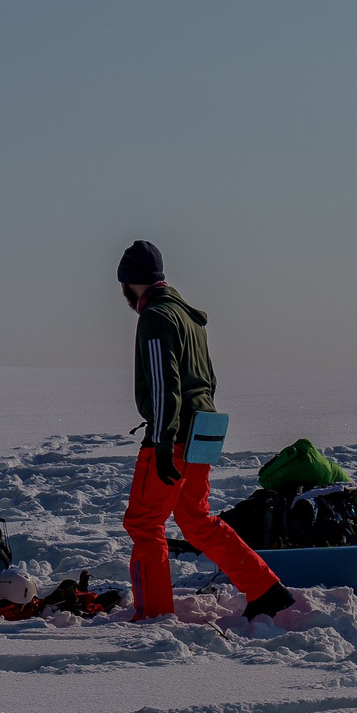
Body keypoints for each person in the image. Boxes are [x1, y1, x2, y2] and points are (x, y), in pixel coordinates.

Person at [115, 240, 292, 622]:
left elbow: (164, 383)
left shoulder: (156, 316)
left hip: (172, 436)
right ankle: (265, 589)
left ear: (129, 281)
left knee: (144, 523)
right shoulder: (191, 319)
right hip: (202, 431)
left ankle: (153, 614)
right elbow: (208, 381)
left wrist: (163, 442)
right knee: (196, 520)